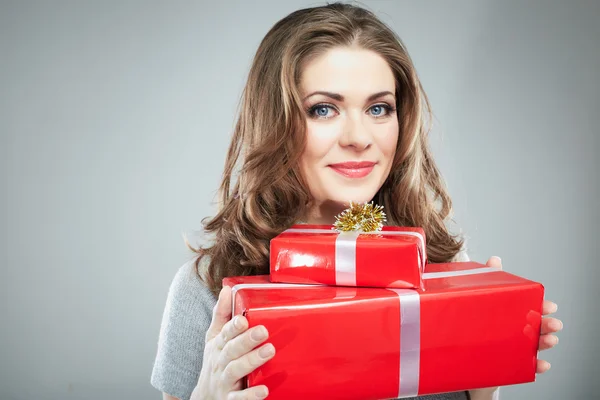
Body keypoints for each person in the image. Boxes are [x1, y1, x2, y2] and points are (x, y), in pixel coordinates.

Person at [150, 3, 562, 400]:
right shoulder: (207, 288)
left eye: (379, 108)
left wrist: (487, 372)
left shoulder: (442, 268)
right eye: (324, 109)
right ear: (275, 121)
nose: (359, 137)